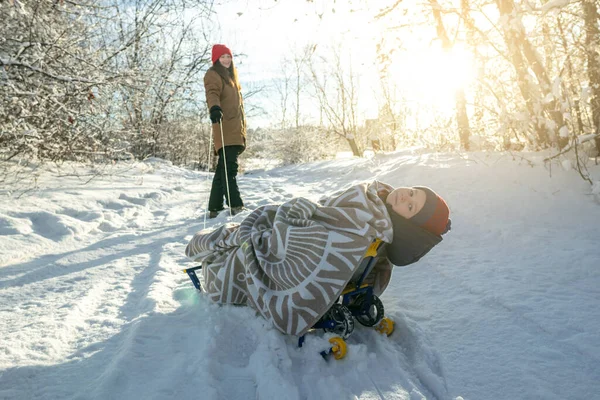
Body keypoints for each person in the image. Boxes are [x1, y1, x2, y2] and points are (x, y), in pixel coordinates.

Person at [203, 44, 247, 218]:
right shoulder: (213, 74)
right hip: (225, 127)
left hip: (235, 129)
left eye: (228, 56)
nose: (226, 60)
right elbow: (212, 92)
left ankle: (214, 208)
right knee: (229, 169)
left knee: (223, 170)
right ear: (216, 59)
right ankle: (235, 205)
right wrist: (214, 108)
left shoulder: (232, 78)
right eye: (222, 57)